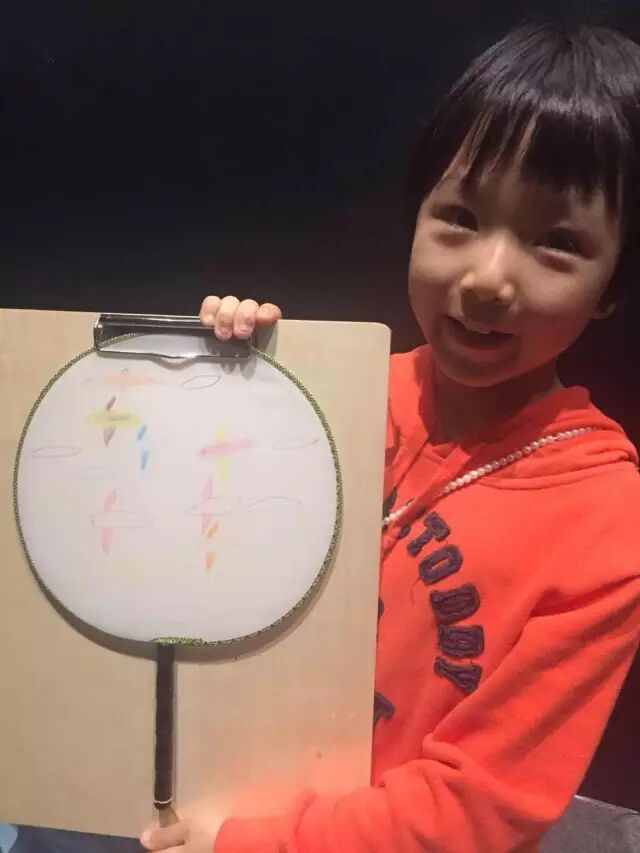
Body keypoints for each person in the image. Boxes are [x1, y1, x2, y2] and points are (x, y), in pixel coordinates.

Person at [141, 22, 640, 853]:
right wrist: (225, 380)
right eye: (460, 217)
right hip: (215, 799)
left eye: (557, 242)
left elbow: (479, 804)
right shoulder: (331, 394)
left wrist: (246, 843)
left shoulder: (607, 523)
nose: (487, 277)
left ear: (611, 286)